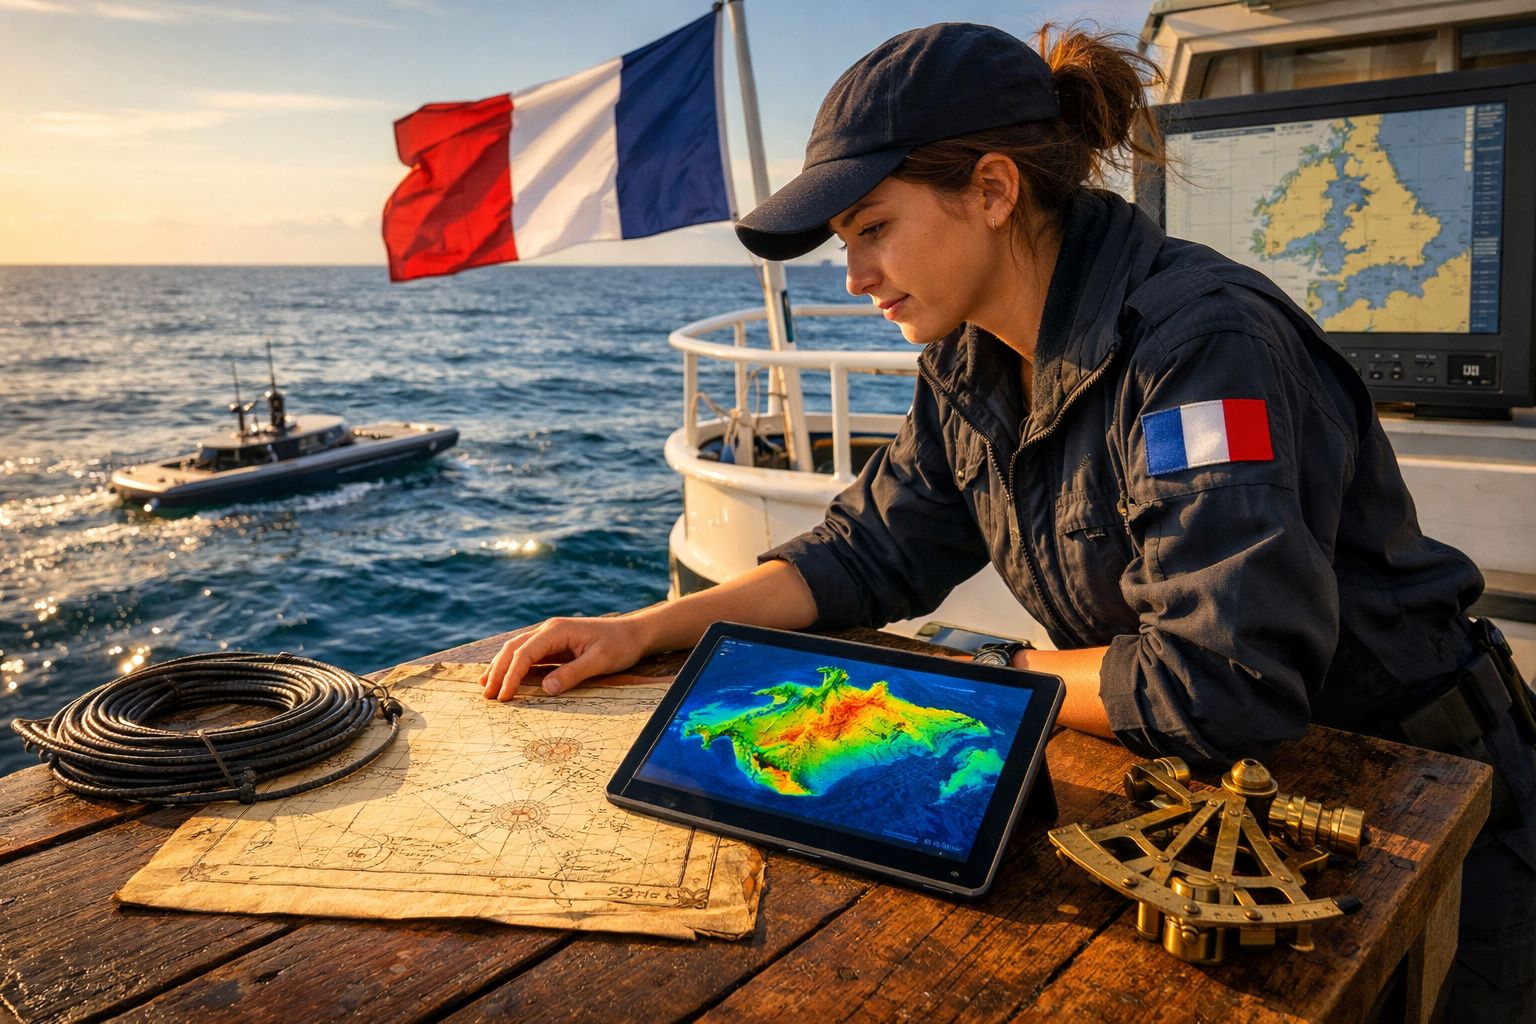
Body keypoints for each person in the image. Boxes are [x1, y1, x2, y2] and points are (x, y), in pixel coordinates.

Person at [480, 22, 1536, 1020]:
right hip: (1238, 807)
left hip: (1430, 813)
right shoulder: (970, 359)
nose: (855, 279)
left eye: (874, 230)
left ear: (992, 189)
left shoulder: (1200, 348)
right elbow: (875, 546)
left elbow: (1224, 678)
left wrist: (983, 677)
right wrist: (645, 628)